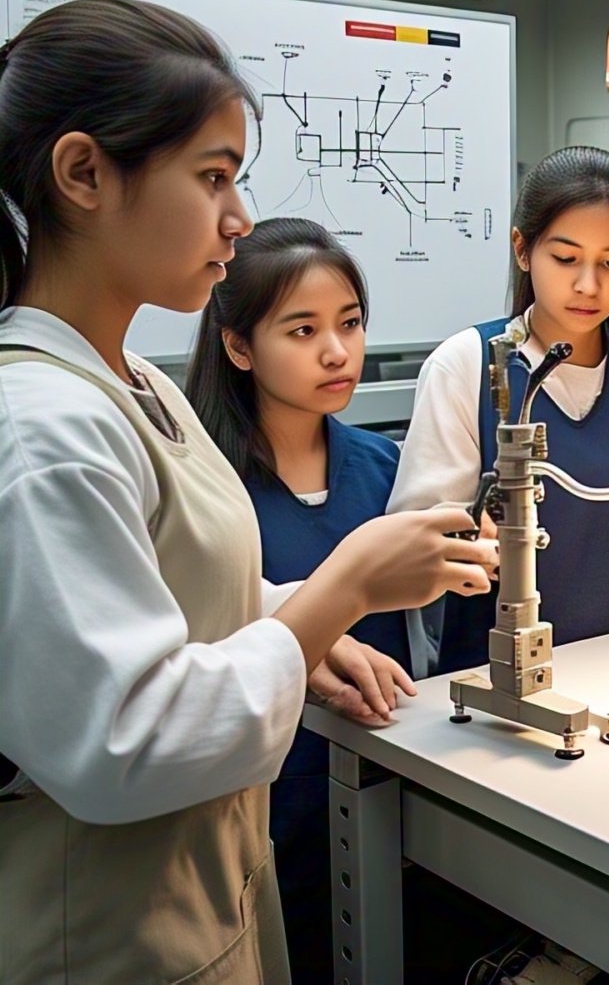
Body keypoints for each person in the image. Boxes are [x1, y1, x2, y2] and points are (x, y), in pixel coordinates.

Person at [0, 0, 496, 983]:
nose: (239, 217)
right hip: (104, 940)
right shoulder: (41, 428)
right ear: (85, 172)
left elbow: (170, 590)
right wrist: (342, 587)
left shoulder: (132, 384)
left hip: (200, 901)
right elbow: (124, 739)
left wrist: (304, 628)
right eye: (213, 176)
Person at [186, 216, 455, 978]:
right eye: (301, 330)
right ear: (239, 347)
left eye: (350, 323)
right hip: (261, 801)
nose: (337, 351)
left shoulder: (385, 467)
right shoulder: (205, 486)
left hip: (384, 777)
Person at [389, 145, 609, 667]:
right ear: (522, 248)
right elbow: (409, 558)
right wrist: (468, 540)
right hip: (493, 687)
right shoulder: (464, 364)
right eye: (566, 258)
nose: (589, 285)